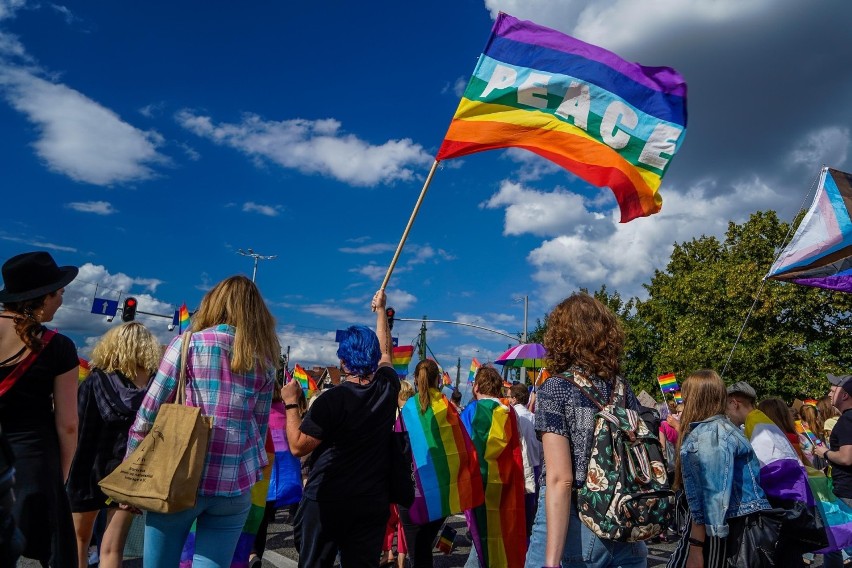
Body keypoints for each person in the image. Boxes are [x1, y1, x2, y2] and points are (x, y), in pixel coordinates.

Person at [125, 275, 278, 567]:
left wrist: (132, 468)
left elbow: (147, 414)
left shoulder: (187, 345)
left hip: (178, 477)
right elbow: (258, 430)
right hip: (233, 485)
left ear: (213, 304)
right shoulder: (264, 362)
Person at [526, 292, 646, 568]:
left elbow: (560, 479)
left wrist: (551, 562)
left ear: (560, 337)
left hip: (575, 525)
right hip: (628, 528)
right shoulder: (622, 388)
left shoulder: (556, 387)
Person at [283, 289, 399, 568]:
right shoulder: (386, 388)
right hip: (371, 500)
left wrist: (289, 404)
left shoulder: (331, 400)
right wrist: (381, 311)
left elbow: (298, 445)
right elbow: (385, 353)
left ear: (343, 361)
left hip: (328, 500)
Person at [0, 251, 79, 567]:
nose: (60, 300)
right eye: (59, 293)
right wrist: (60, 475)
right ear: (42, 297)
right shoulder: (58, 346)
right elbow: (68, 424)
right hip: (31, 463)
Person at [66, 322, 161, 568]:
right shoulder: (154, 388)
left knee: (79, 542)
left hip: (87, 469)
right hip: (129, 473)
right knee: (112, 549)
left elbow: (77, 425)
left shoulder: (95, 380)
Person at [666, 371, 774, 568]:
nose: (683, 400)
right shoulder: (720, 428)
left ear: (696, 398)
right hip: (730, 524)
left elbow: (712, 495)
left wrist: (696, 547)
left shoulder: (711, 433)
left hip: (721, 531)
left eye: (686, 395)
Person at [462, 366, 526, 568]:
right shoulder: (509, 412)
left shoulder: (472, 410)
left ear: (476, 387)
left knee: (480, 536)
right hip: (504, 483)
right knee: (500, 534)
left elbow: (462, 449)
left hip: (477, 484)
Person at [813, 374, 852, 568]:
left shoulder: (846, 421)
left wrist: (825, 452)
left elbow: (846, 457)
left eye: (833, 389)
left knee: (840, 539)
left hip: (847, 492)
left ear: (844, 395)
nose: (829, 393)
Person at [381, 379, 415, 568]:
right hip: (411, 474)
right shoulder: (416, 414)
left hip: (392, 473)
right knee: (404, 522)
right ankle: (402, 560)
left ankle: (388, 552)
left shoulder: (392, 416)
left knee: (389, 517)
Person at [508, 382, 541, 538]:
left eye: (508, 396)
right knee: (530, 510)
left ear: (514, 399)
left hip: (518, 466)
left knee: (515, 509)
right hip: (535, 466)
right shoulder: (534, 418)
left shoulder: (511, 416)